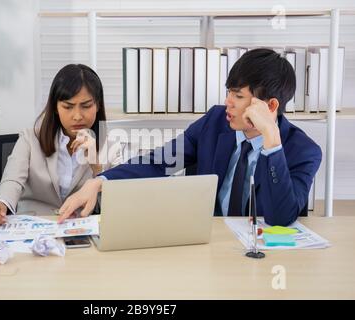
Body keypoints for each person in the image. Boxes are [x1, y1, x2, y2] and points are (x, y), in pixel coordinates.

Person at [58, 48, 322, 227]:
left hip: (264, 257)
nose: (227, 102)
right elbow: (159, 162)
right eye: (228, 92)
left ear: (271, 106)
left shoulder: (304, 152)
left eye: (238, 96)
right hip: (210, 245)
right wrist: (99, 182)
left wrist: (272, 143)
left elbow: (281, 217)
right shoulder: (215, 123)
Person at [0, 64, 122, 226]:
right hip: (34, 227)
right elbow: (12, 180)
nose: (77, 116)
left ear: (97, 105)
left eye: (86, 106)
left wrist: (97, 167)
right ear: (55, 107)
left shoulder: (112, 145)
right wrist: (0, 203)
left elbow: (117, 206)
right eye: (67, 107)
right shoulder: (30, 138)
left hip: (81, 230)